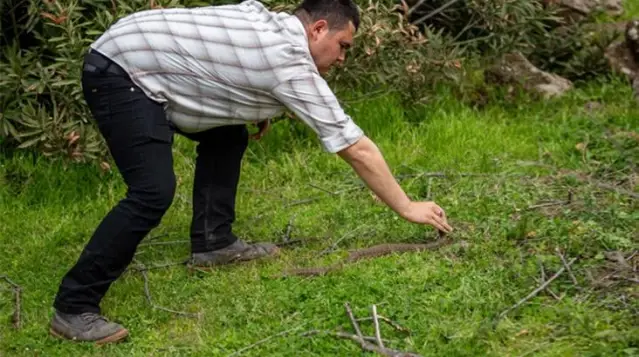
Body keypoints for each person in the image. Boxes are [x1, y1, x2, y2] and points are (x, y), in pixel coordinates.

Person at [49, 0, 453, 344]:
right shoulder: (288, 60)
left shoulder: (274, 23)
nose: (342, 58)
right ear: (317, 29)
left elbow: (222, 63)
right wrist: (406, 206)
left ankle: (213, 243)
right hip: (121, 70)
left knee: (228, 137)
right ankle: (74, 306)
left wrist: (253, 109)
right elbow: (355, 147)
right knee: (152, 192)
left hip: (133, 49)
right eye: (342, 46)